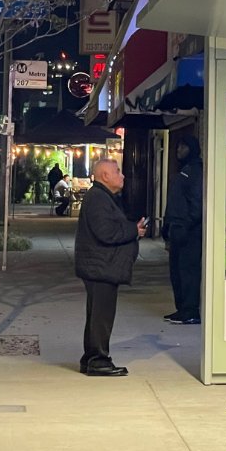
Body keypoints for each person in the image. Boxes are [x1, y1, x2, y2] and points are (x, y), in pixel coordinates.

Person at [74, 159, 147, 377]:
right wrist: (133, 230)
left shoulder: (103, 197)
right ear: (105, 175)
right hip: (100, 267)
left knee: (97, 315)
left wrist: (132, 230)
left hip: (101, 266)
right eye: (118, 172)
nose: (122, 176)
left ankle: (91, 358)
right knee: (101, 316)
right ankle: (98, 360)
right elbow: (106, 232)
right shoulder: (98, 198)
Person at [162, 135, 203, 324]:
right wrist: (167, 227)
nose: (179, 150)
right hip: (177, 229)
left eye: (183, 146)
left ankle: (190, 311)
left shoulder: (195, 170)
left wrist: (186, 225)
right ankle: (182, 309)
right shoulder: (183, 171)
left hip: (189, 232)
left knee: (188, 272)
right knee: (177, 272)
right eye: (178, 147)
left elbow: (196, 202)